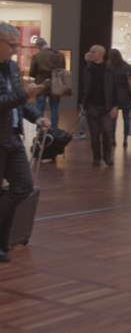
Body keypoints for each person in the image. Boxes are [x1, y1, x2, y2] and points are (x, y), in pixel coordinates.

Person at [0, 23, 50, 263]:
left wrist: (36, 115)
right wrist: (25, 94)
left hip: (12, 137)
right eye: (11, 45)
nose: (15, 49)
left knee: (24, 186)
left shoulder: (10, 66)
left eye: (16, 45)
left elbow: (17, 101)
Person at [79, 45, 119, 166]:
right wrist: (82, 105)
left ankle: (107, 156)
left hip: (106, 106)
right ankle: (96, 157)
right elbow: (83, 87)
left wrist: (115, 106)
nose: (91, 54)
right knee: (94, 133)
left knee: (107, 131)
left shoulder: (110, 69)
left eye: (93, 52)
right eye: (90, 51)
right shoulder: (87, 69)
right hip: (91, 105)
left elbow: (115, 89)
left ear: (101, 54)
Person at [28, 38, 65, 130]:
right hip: (55, 85)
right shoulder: (59, 55)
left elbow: (32, 72)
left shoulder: (37, 56)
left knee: (40, 107)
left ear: (38, 46)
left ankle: (40, 129)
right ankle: (54, 129)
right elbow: (62, 69)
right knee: (54, 108)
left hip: (41, 85)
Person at [108, 49, 131, 148]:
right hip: (126, 95)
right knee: (126, 119)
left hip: (114, 96)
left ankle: (113, 138)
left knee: (113, 119)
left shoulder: (110, 68)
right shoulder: (128, 67)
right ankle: (125, 139)